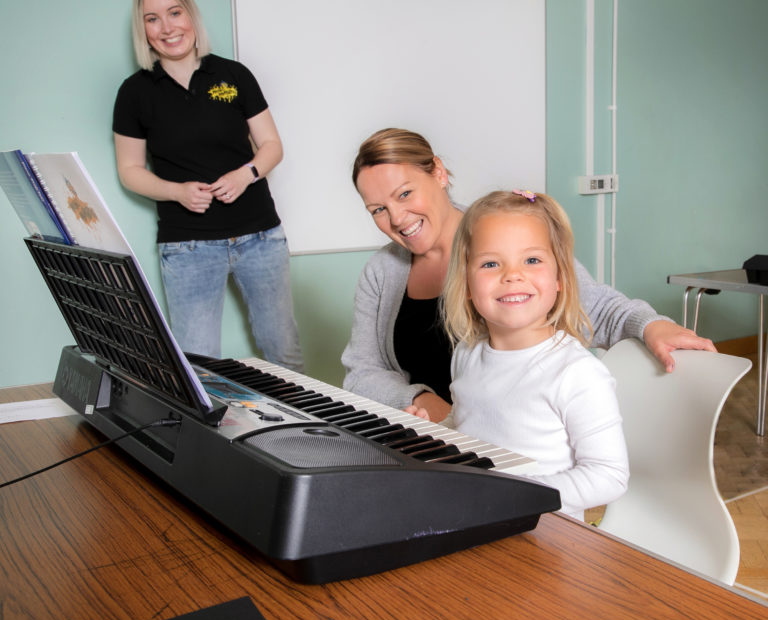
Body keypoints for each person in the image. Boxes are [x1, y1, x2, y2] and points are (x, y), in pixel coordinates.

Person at [342, 128, 715, 422]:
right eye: (377, 209)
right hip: (431, 438)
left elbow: (595, 308)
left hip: (516, 443)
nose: (396, 219)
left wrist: (650, 325)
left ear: (438, 172)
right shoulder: (382, 272)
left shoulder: (502, 233)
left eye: (405, 194)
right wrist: (423, 401)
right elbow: (361, 373)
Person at [112, 0, 303, 371]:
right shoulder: (134, 92)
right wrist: (176, 191)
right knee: (197, 365)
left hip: (260, 238)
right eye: (152, 19)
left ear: (191, 15)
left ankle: (299, 430)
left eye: (174, 12)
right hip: (188, 246)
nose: (167, 27)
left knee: (284, 351)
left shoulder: (234, 75)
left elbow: (271, 146)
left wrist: (244, 175)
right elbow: (129, 169)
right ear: (143, 29)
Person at [433, 189, 629, 520]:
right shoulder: (466, 354)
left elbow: (609, 476)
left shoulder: (577, 374)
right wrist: (432, 432)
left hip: (549, 541)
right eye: (491, 263)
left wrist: (514, 497)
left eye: (532, 260)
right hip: (478, 518)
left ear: (560, 278)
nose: (512, 275)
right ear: (466, 283)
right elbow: (468, 419)